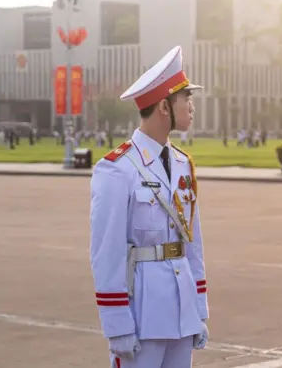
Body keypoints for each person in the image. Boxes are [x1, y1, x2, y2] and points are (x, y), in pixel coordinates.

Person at [89, 45, 209, 368]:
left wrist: (200, 307)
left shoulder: (184, 164)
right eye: (186, 98)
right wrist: (117, 326)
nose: (191, 106)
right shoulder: (117, 168)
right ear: (164, 108)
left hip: (182, 310)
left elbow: (191, 243)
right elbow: (106, 253)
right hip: (141, 313)